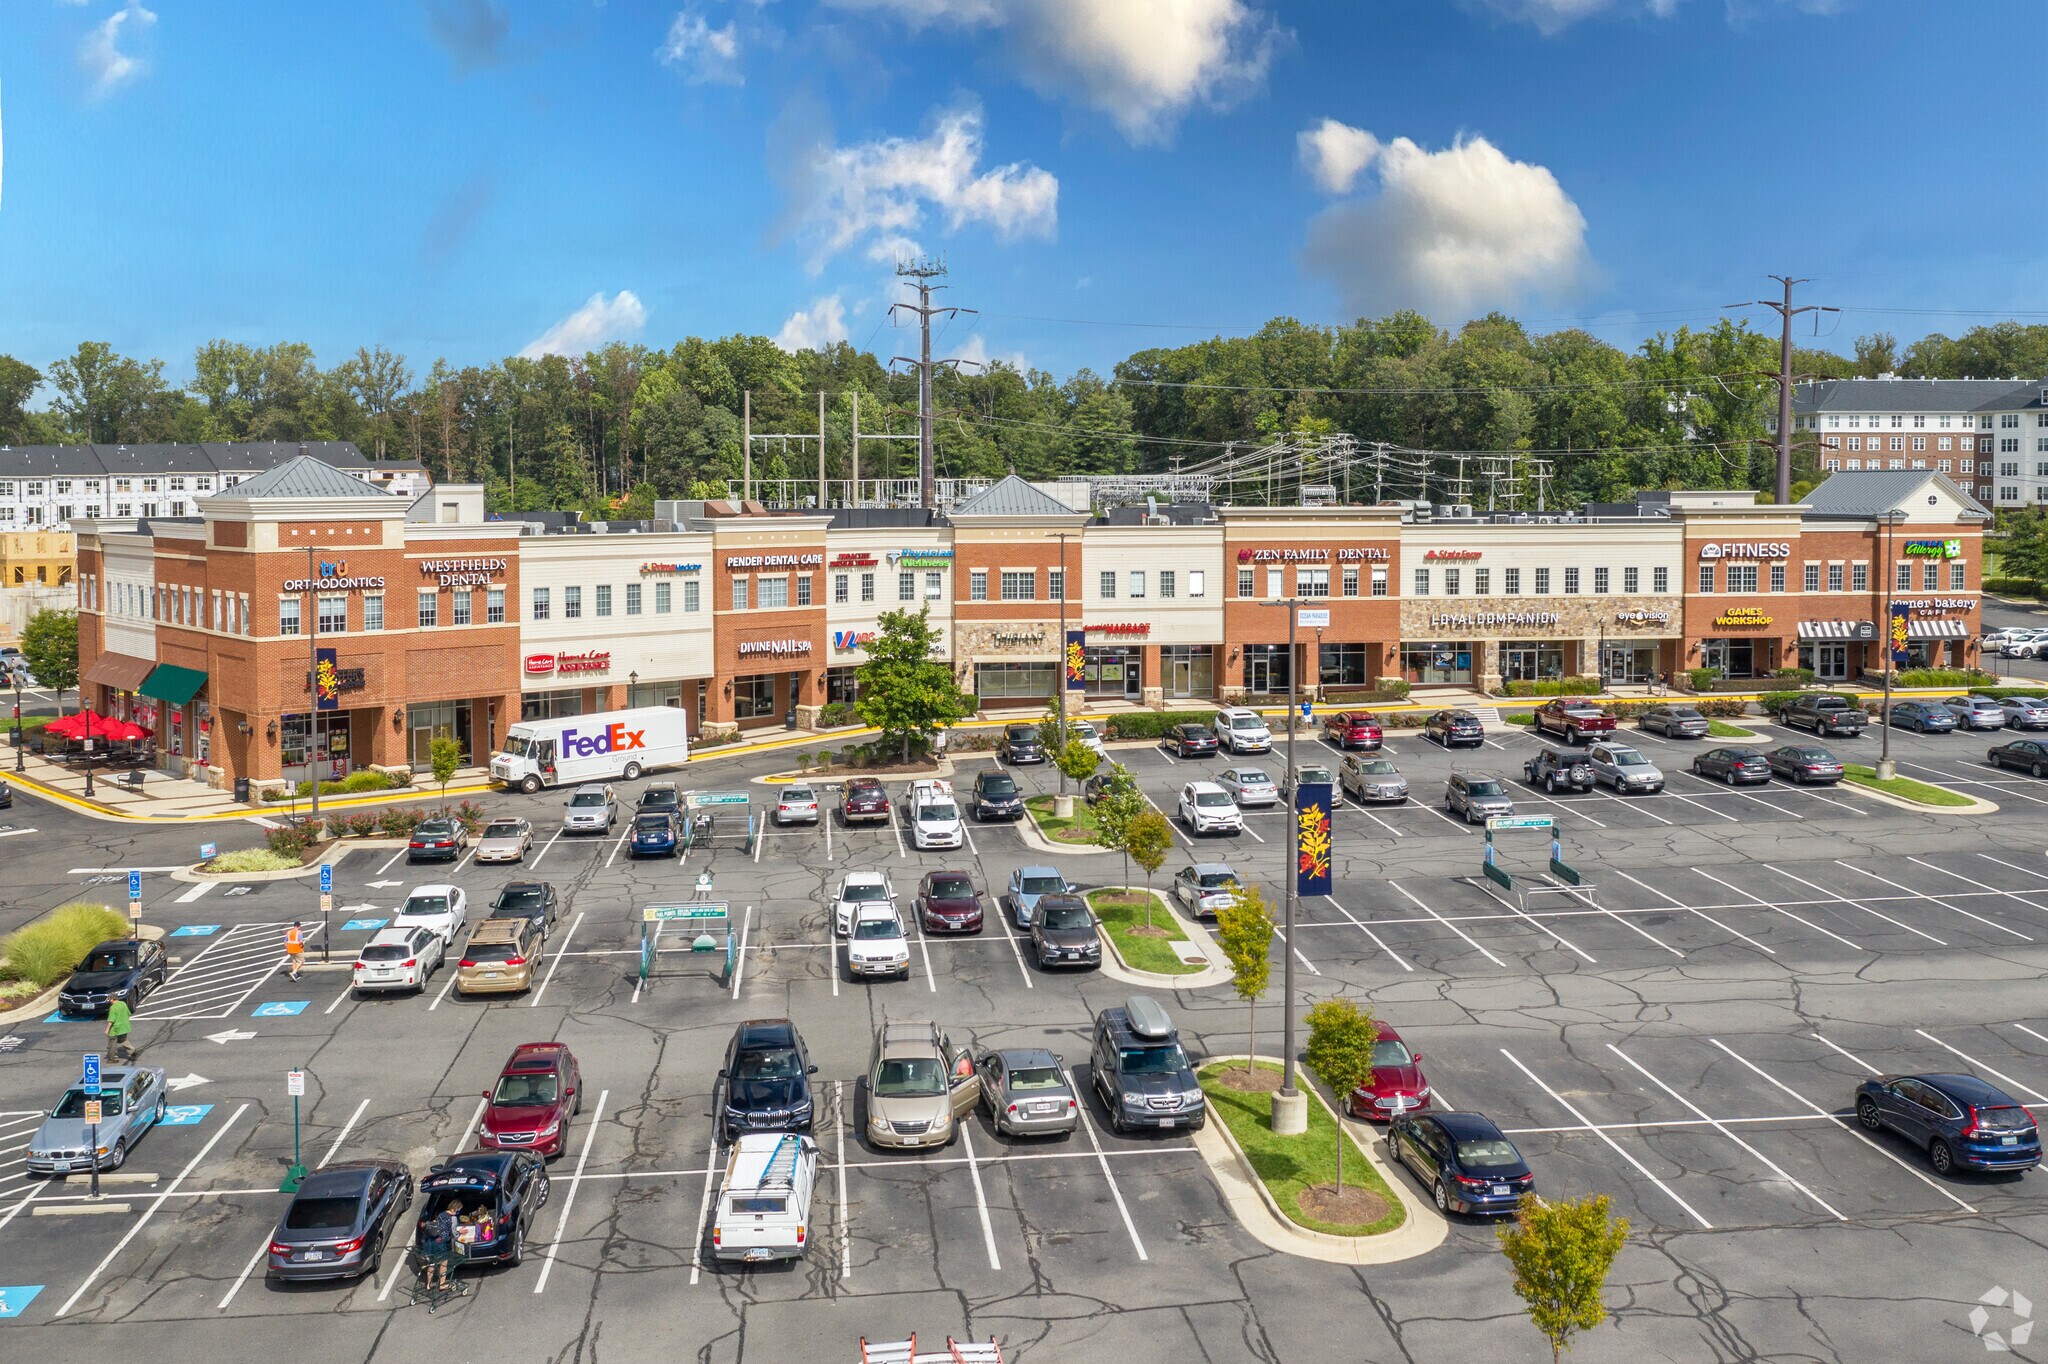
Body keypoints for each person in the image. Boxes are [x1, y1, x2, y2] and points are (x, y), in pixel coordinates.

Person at [106, 995, 134, 1064]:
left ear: (113, 999)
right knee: (122, 1040)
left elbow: (111, 1020)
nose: (108, 1000)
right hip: (124, 1027)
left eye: (109, 998)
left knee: (112, 1043)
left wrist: (107, 1030)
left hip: (115, 1028)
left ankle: (111, 1058)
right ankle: (133, 1051)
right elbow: (128, 1013)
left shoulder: (113, 1007)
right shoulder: (123, 1004)